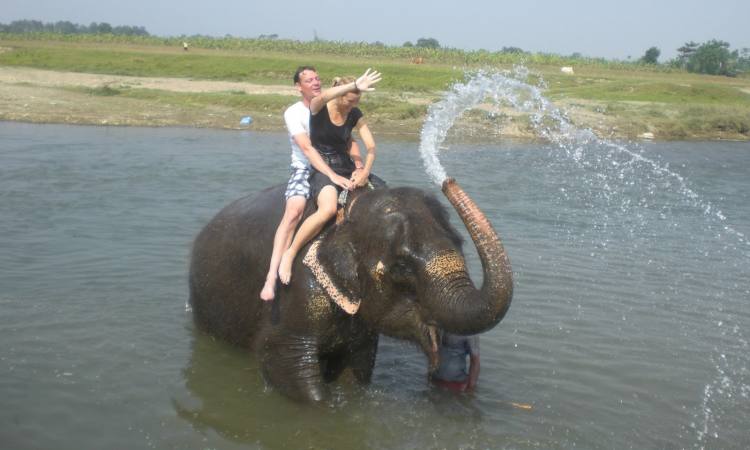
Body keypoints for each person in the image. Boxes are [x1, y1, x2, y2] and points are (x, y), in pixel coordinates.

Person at [259, 66, 363, 301]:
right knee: (294, 210)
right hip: (305, 167)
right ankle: (271, 275)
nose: (315, 82)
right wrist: (332, 176)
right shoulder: (294, 112)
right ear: (299, 86)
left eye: (317, 78)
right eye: (308, 80)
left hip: (336, 166)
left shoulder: (332, 107)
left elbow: (349, 140)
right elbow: (307, 148)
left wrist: (359, 167)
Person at [277, 69, 382, 285]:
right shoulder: (319, 107)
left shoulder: (354, 113)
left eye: (356, 102)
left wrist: (362, 170)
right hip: (323, 168)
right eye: (349, 101)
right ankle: (290, 253)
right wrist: (354, 83)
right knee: (328, 209)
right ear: (341, 95)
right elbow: (323, 96)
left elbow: (371, 146)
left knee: (383, 198)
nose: (352, 106)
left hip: (347, 166)